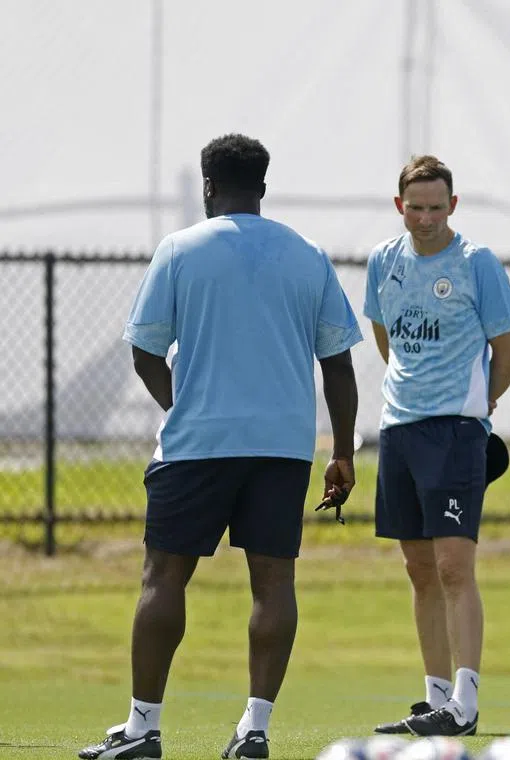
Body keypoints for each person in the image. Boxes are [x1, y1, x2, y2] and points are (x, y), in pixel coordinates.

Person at [79, 134, 363, 760]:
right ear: (263, 186)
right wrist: (342, 452)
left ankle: (142, 729)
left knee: (164, 577)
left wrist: (182, 407)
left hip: (199, 443)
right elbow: (337, 366)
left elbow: (144, 349)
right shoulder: (307, 254)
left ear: (208, 186)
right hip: (284, 446)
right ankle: (254, 729)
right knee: (273, 582)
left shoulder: (180, 250)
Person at [365, 155, 510, 738]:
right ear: (399, 205)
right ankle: (434, 697)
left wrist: (479, 406)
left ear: (452, 207)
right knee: (418, 568)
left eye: (437, 208)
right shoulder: (383, 260)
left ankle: (466, 702)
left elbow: (509, 353)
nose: (426, 218)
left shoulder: (477, 263)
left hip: (456, 432)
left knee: (455, 567)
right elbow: (387, 338)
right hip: (399, 430)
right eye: (416, 207)